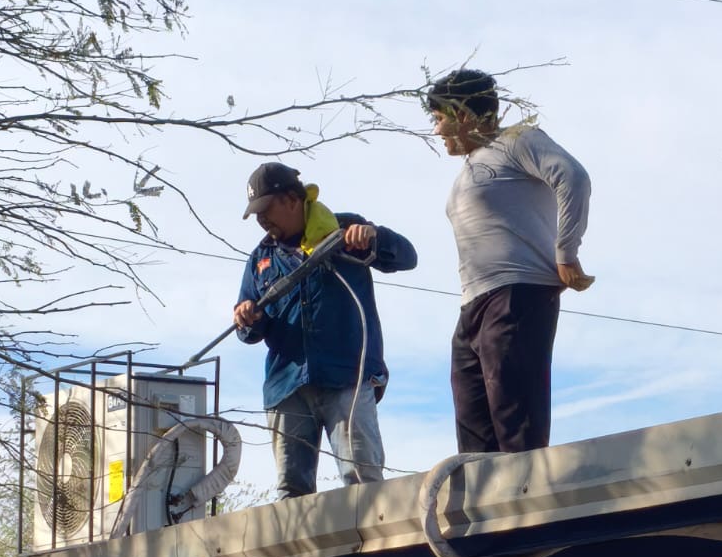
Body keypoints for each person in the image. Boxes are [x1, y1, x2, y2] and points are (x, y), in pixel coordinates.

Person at [425, 68, 592, 454]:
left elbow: (573, 177)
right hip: (473, 304)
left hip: (517, 294)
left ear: (463, 113)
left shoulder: (518, 139)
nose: (436, 131)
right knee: (474, 439)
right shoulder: (468, 169)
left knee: (516, 423)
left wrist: (566, 251)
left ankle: (531, 510)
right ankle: (487, 511)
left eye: (438, 118)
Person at [233, 161, 417, 498]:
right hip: (286, 385)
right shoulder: (260, 259)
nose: (261, 219)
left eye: (265, 208)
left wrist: (374, 236)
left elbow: (407, 257)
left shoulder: (344, 230)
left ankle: (375, 549)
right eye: (256, 212)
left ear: (291, 199)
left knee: (362, 479)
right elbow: (248, 332)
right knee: (291, 489)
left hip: (347, 375)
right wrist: (247, 317)